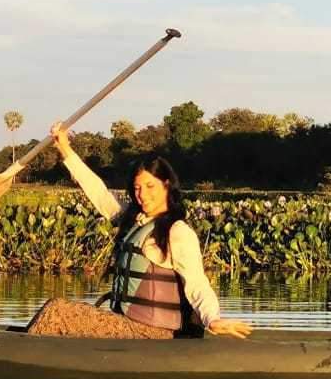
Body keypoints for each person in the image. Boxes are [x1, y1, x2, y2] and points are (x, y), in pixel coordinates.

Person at [26, 124, 252, 340]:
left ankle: (22, 354)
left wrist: (212, 319)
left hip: (155, 333)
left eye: (150, 186)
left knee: (57, 310)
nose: (142, 195)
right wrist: (65, 148)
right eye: (137, 188)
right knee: (53, 310)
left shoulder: (177, 231)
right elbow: (100, 194)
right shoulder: (135, 220)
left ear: (166, 185)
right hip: (126, 325)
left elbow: (197, 283)